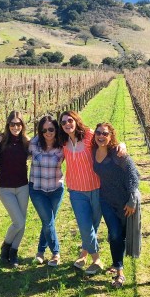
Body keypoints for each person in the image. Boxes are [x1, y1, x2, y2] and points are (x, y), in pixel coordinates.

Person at [58, 110, 126, 275]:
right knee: (85, 226)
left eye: (70, 120)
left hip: (96, 188)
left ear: (76, 120)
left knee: (93, 225)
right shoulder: (62, 142)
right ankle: (97, 260)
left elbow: (107, 141)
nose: (67, 124)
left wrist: (122, 144)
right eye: (64, 122)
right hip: (76, 191)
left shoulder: (89, 136)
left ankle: (83, 254)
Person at [92, 122, 140, 288]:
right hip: (105, 199)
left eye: (105, 133)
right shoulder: (93, 152)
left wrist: (132, 197)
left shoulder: (118, 154)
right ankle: (119, 271)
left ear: (111, 136)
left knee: (123, 234)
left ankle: (118, 259)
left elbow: (134, 174)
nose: (101, 136)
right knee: (114, 233)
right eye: (98, 132)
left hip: (125, 202)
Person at [0, 111, 30, 268]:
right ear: (8, 125)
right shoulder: (0, 140)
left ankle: (13, 252)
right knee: (19, 221)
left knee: (22, 221)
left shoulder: (27, 142)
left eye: (18, 124)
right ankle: (6, 246)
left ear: (22, 125)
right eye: (12, 124)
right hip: (5, 188)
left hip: (23, 186)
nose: (16, 127)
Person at [28, 115, 64, 267]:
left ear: (56, 129)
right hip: (37, 189)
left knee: (48, 222)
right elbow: (12, 137)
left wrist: (121, 144)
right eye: (44, 130)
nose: (48, 132)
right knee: (48, 222)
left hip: (56, 189)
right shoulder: (33, 143)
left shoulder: (63, 145)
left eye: (51, 129)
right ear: (40, 131)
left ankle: (40, 252)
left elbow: (84, 141)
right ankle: (56, 253)